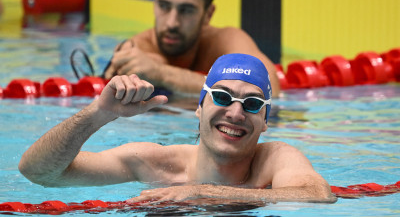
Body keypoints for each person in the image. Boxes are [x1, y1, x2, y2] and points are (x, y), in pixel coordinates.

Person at [19, 53, 336, 204]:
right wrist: (97, 114)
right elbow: (38, 173)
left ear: (265, 121)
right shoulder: (154, 162)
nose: (236, 113)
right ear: (200, 106)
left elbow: (317, 195)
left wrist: (200, 192)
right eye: (222, 98)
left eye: (252, 104)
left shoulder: (275, 159)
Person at [103, 0, 281, 97]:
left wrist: (161, 74)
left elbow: (269, 86)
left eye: (186, 10)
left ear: (208, 15)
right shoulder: (138, 51)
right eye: (164, 6)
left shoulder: (223, 42)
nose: (172, 23)